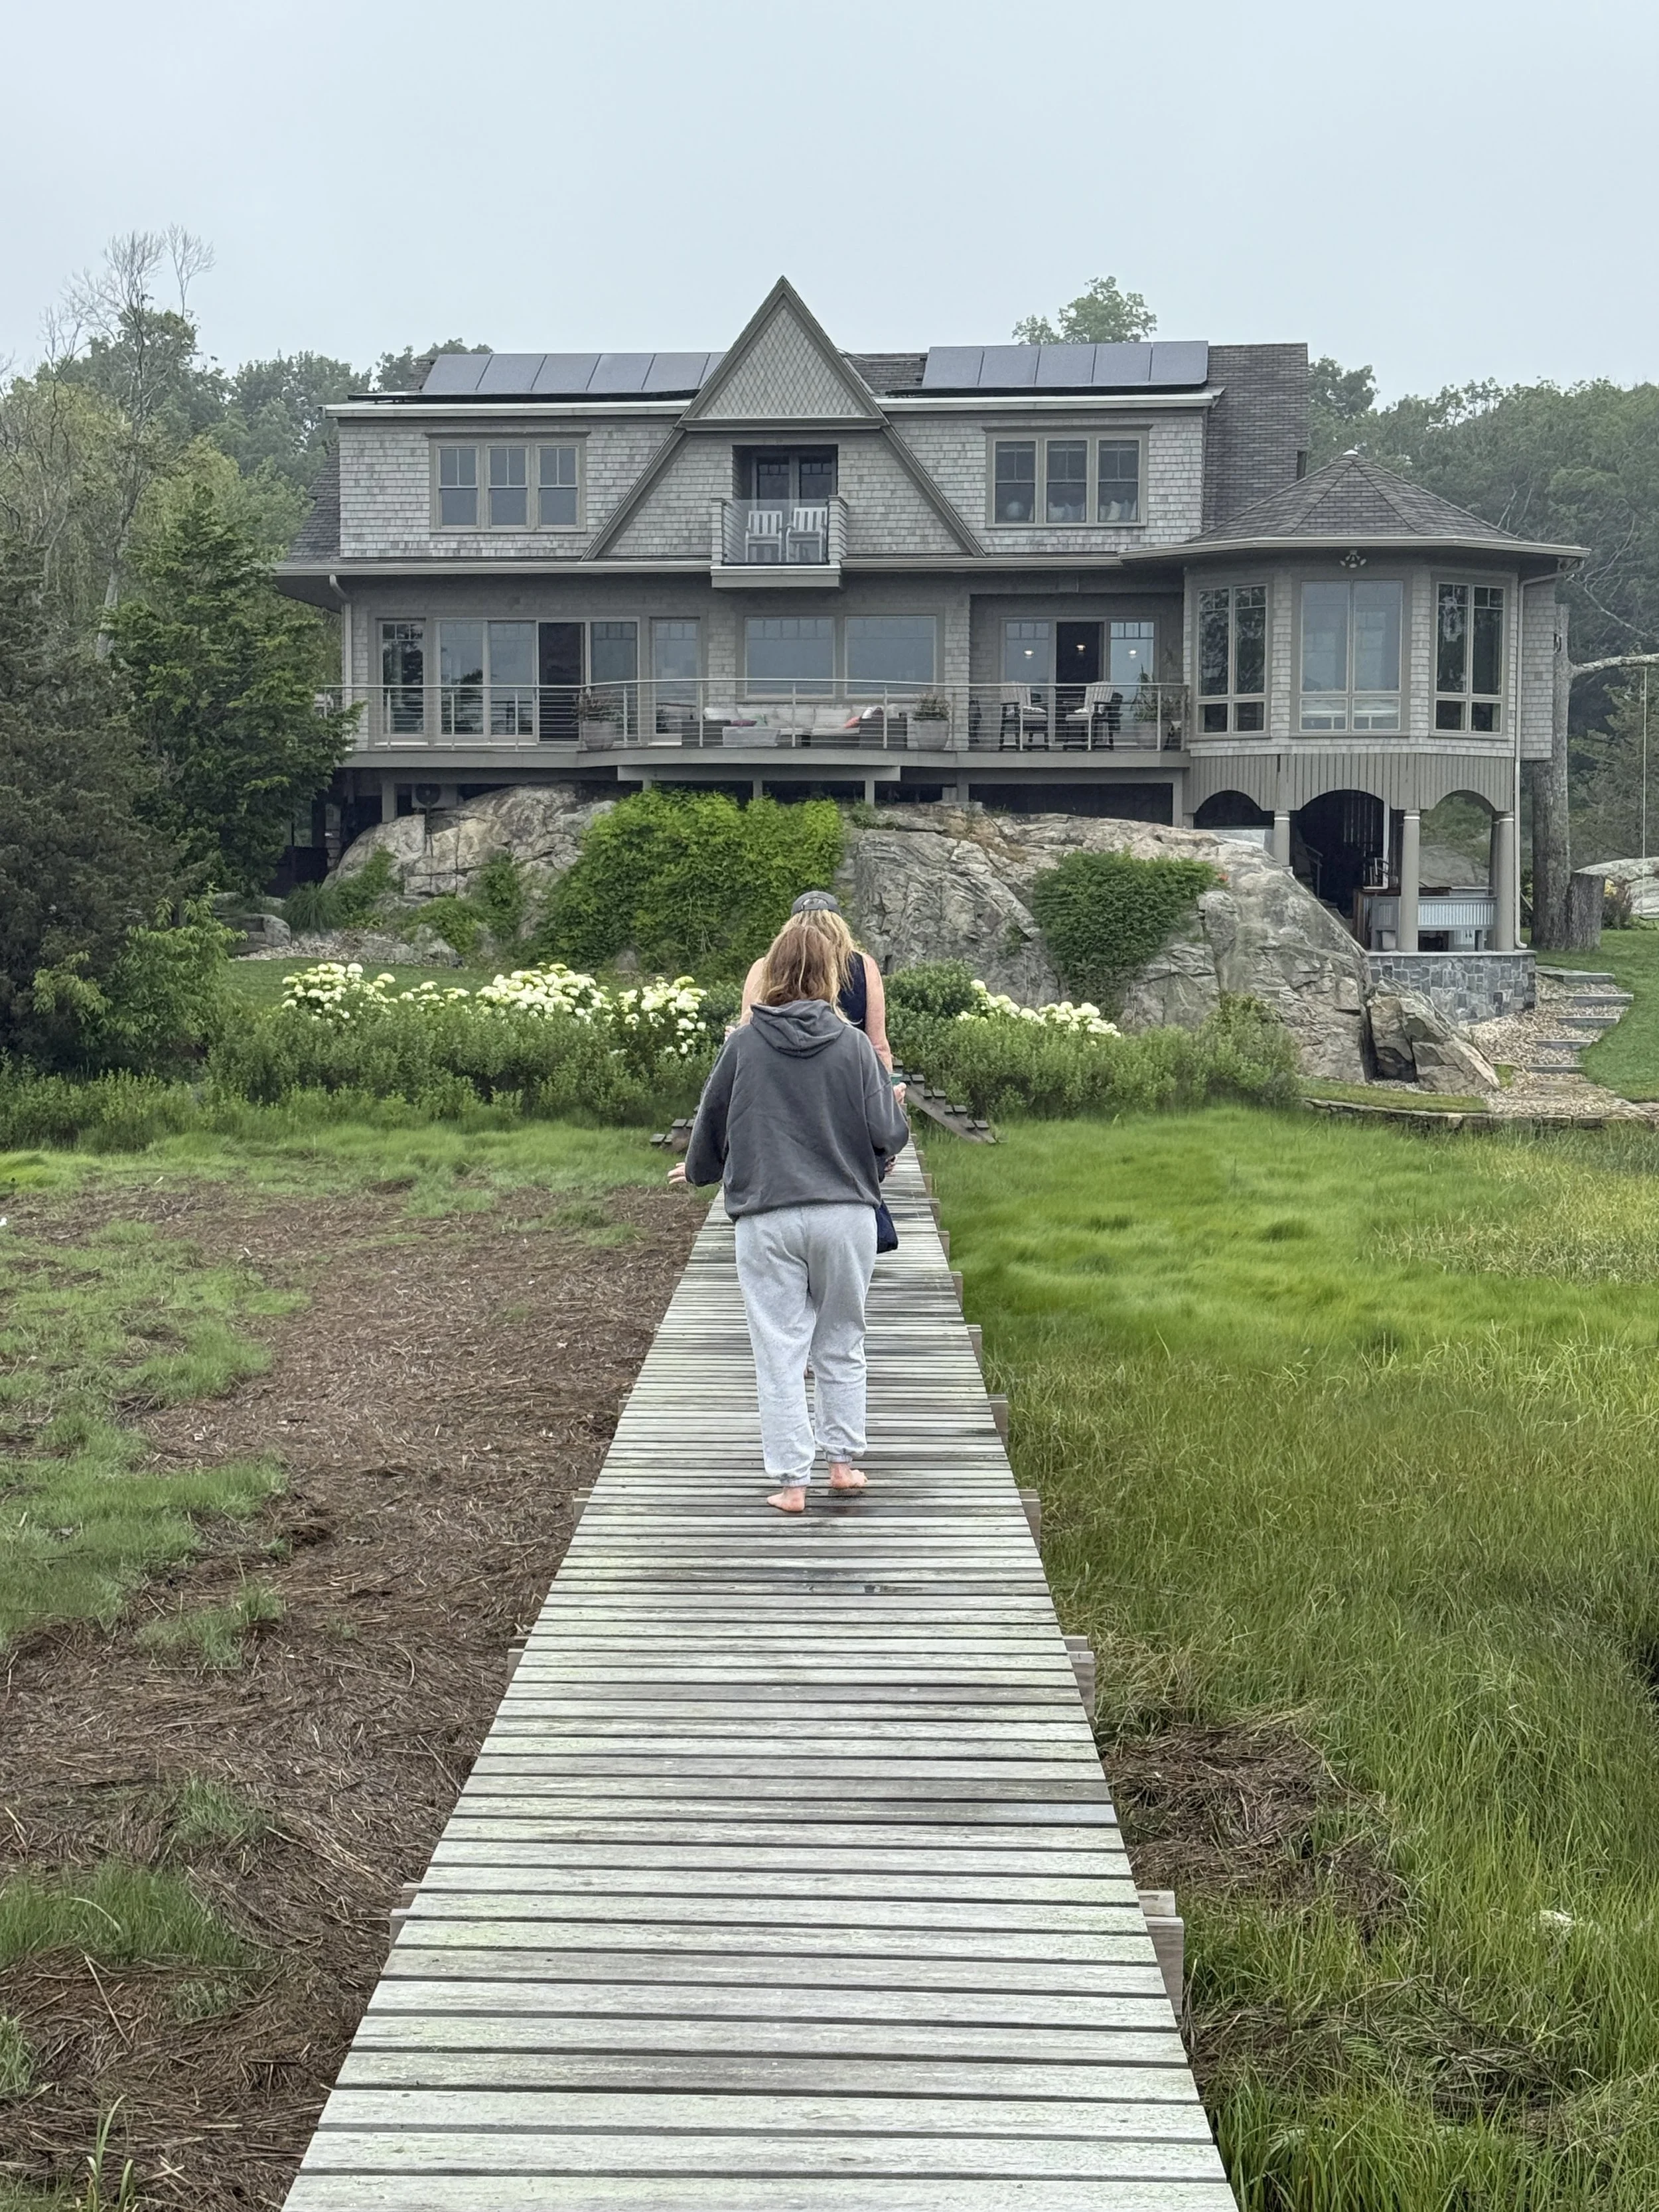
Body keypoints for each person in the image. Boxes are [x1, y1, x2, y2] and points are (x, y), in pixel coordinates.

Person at [672, 911, 910, 1512]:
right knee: (842, 1338)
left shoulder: (744, 1044)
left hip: (768, 1214)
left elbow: (712, 1123)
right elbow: (889, 1131)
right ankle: (842, 1465)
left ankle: (791, 1483)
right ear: (832, 973)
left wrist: (702, 1172)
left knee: (779, 1349)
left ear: (772, 972)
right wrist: (883, 1136)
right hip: (844, 1214)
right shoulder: (855, 1045)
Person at [739, 891, 897, 1082]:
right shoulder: (863, 966)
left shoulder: (764, 968)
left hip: (775, 1083)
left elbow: (746, 1032)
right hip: (845, 1083)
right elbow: (878, 1046)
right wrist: (886, 1095)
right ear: (839, 926)